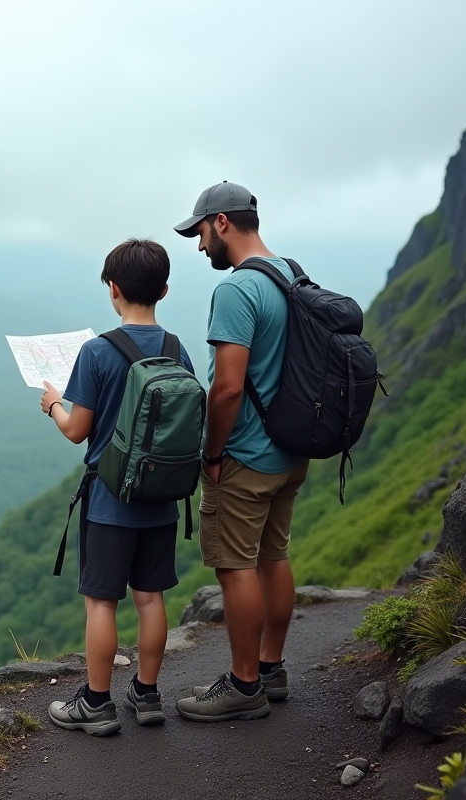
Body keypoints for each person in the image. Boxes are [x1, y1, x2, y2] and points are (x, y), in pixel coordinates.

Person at [39, 237, 194, 735]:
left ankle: (97, 703)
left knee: (102, 603)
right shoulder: (176, 348)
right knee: (151, 599)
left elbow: (75, 430)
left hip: (110, 502)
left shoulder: (97, 351)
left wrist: (53, 405)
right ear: (164, 290)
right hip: (162, 499)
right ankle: (147, 697)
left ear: (113, 289)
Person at [171, 181, 310, 722]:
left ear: (222, 223)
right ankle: (270, 668)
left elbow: (227, 388)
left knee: (235, 567)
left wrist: (211, 454)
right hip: (290, 451)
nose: (200, 246)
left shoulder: (236, 291)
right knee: (274, 557)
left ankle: (244, 685)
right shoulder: (292, 274)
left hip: (246, 455)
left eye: (201, 233)